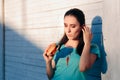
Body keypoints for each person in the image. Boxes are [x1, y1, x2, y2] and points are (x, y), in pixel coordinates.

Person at [43, 8, 101, 80]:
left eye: (73, 26)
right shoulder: (58, 46)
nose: (68, 30)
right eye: (66, 25)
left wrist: (87, 43)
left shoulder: (92, 48)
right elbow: (50, 76)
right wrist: (48, 62)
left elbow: (83, 68)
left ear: (82, 27)